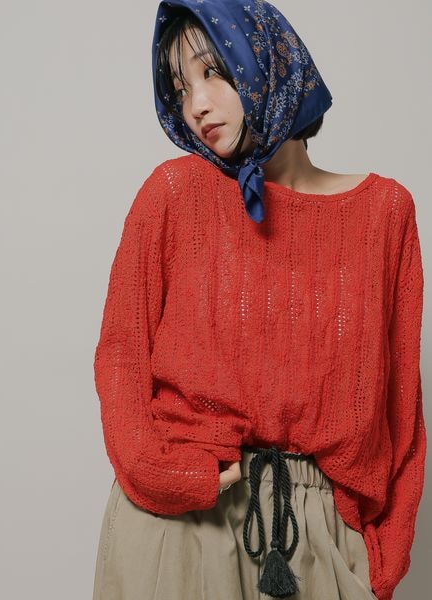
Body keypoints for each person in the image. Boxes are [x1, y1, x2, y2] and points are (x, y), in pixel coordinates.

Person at [92, 2, 426, 599]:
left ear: (266, 61)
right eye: (180, 88)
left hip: (320, 528)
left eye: (212, 72)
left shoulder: (384, 214)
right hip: (182, 526)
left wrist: (385, 557)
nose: (196, 105)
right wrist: (162, 472)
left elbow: (401, 405)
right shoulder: (174, 194)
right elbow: (121, 353)